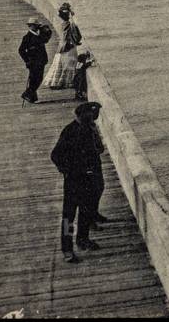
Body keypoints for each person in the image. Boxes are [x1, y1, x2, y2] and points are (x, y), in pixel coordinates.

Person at [51, 101, 105, 263]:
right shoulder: (71, 131)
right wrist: (68, 171)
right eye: (92, 115)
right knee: (69, 215)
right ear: (83, 115)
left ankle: (82, 239)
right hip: (74, 180)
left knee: (86, 211)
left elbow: (98, 150)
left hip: (88, 177)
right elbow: (55, 155)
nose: (95, 118)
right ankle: (67, 249)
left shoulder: (90, 128)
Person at [45, 2, 81, 92]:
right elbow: (76, 36)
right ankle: (68, 82)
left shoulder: (64, 24)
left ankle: (58, 82)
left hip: (62, 46)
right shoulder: (70, 24)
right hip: (68, 46)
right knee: (70, 63)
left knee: (60, 63)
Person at [18, 17, 52, 104]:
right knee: (35, 79)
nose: (37, 27)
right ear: (30, 26)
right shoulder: (27, 37)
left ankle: (32, 97)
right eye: (35, 26)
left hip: (41, 60)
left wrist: (44, 29)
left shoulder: (39, 34)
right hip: (33, 62)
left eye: (37, 26)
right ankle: (27, 94)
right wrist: (27, 60)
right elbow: (21, 50)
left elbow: (47, 38)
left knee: (36, 79)